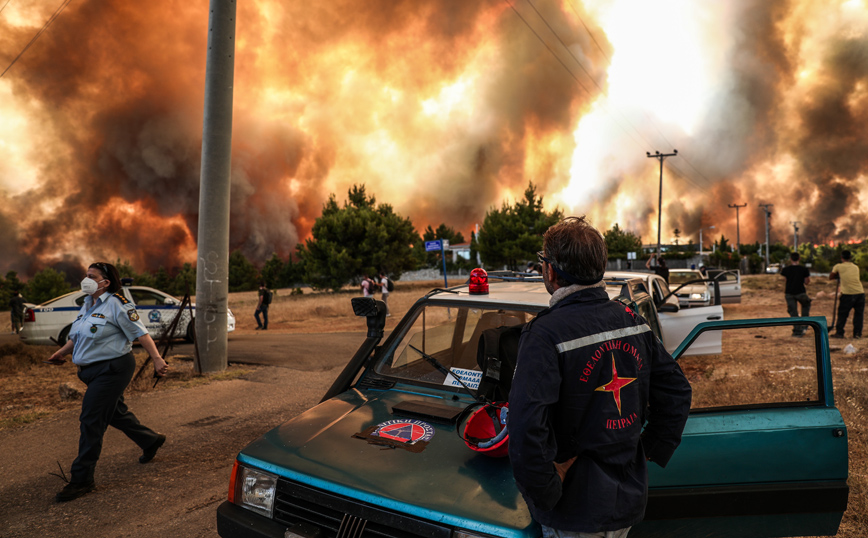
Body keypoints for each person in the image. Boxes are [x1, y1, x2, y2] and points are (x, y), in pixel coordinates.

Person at [509, 216, 692, 537]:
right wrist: (648, 449)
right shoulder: (630, 319)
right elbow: (676, 391)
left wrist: (546, 493)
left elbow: (525, 427)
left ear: (551, 271)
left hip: (574, 511)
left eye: (542, 262)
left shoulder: (545, 333)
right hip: (625, 503)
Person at [45, 262, 168, 502]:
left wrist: (157, 359)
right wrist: (61, 353)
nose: (86, 279)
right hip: (89, 372)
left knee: (91, 418)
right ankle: (150, 440)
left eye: (91, 276)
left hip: (113, 369)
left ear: (105, 282)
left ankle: (82, 479)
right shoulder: (87, 304)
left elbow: (140, 333)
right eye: (86, 275)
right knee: (114, 413)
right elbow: (77, 337)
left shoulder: (118, 304)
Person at [830, 250, 864, 339]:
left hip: (848, 293)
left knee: (842, 314)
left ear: (842, 257)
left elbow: (831, 277)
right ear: (850, 258)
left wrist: (837, 274)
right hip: (860, 293)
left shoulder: (838, 266)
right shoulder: (855, 267)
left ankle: (840, 332)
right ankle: (857, 334)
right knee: (858, 315)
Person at [780, 252, 812, 337]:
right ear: (799, 259)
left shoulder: (786, 270)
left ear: (790, 259)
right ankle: (804, 325)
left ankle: (797, 330)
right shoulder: (804, 269)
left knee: (793, 312)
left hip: (789, 293)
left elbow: (785, 280)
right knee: (806, 305)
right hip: (801, 292)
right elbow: (807, 282)